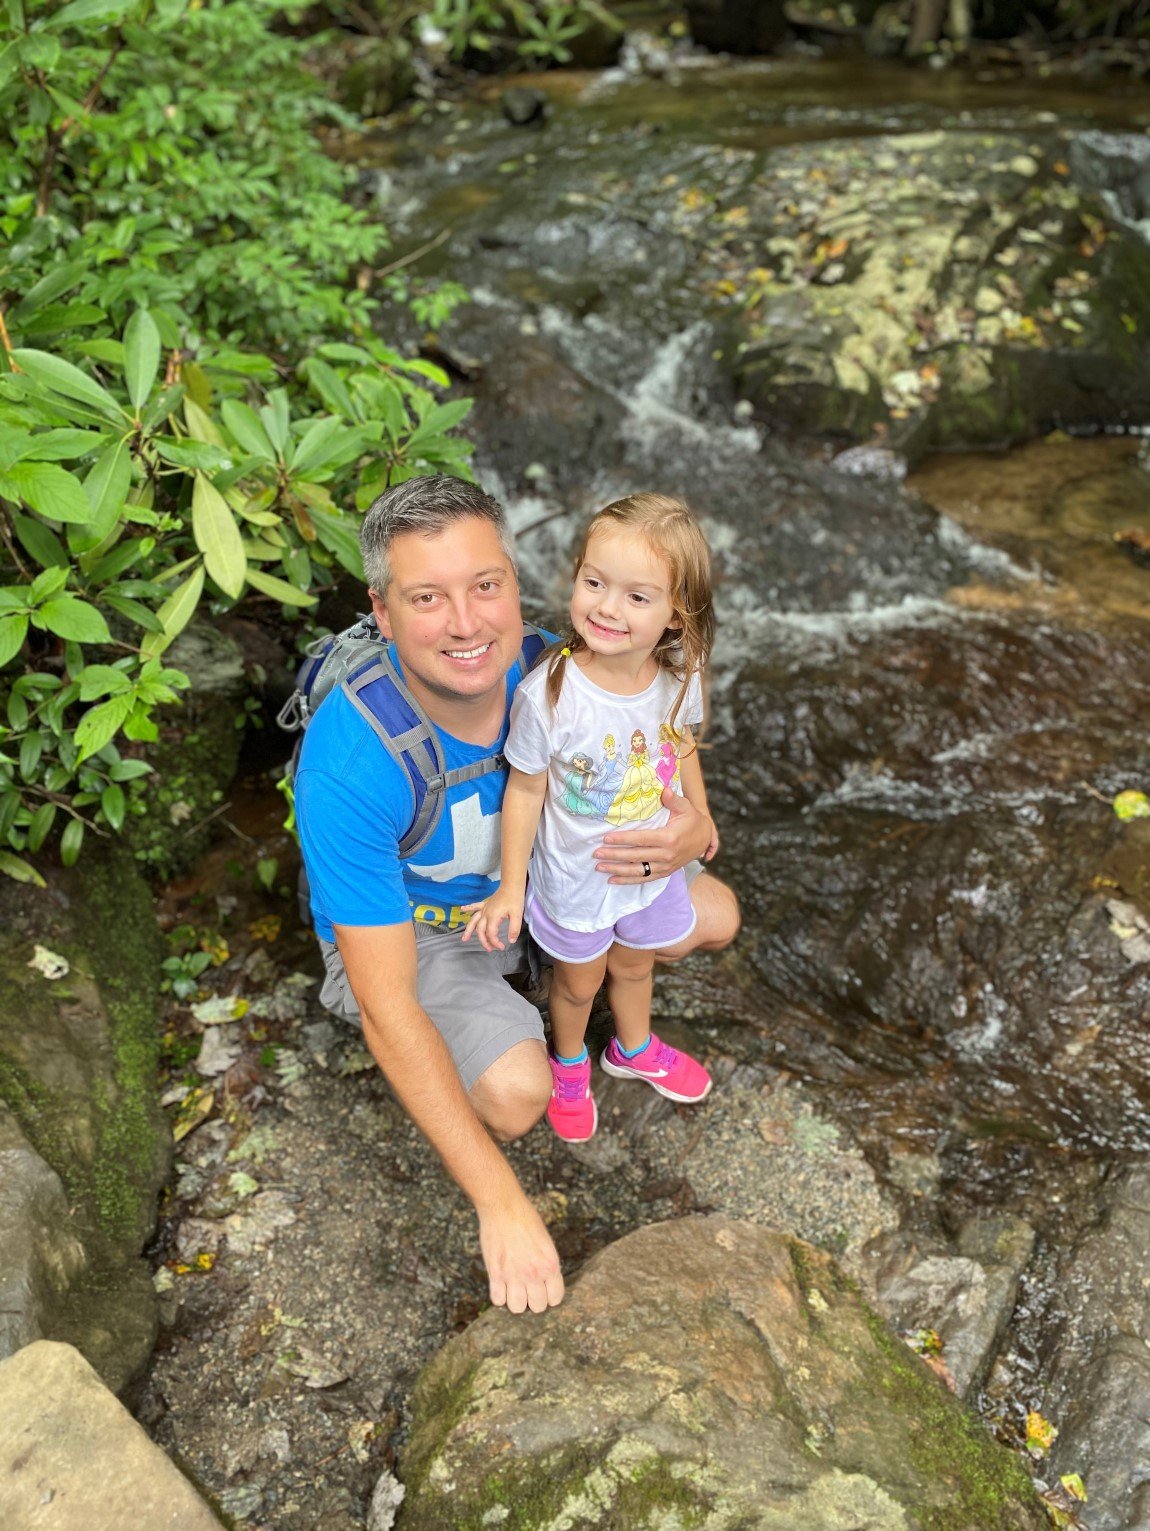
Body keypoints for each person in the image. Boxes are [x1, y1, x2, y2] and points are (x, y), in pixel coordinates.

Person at [294, 475, 739, 1316]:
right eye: (427, 597)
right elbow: (387, 1006)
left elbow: (666, 731)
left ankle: (562, 992)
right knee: (514, 1095)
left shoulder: (552, 665)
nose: (467, 624)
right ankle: (522, 1020)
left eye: (485, 585)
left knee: (714, 917)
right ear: (383, 613)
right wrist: (500, 1203)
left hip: (547, 884)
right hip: (428, 928)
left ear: (515, 578)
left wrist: (695, 820)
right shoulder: (350, 762)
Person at [462, 494, 718, 1143]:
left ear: (674, 613)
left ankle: (631, 1046)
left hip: (648, 866)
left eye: (637, 596)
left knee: (636, 963)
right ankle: (569, 1059)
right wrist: (512, 887)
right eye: (595, 582)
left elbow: (681, 744)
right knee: (578, 984)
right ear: (576, 575)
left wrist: (702, 814)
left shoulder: (677, 678)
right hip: (577, 877)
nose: (606, 606)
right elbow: (523, 792)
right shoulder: (550, 692)